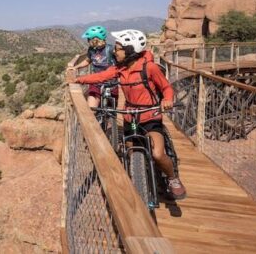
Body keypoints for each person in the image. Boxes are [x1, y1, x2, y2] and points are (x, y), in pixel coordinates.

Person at [68, 29, 186, 200]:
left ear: (129, 50)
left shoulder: (149, 68)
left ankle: (173, 178)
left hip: (150, 116)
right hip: (130, 117)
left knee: (158, 154)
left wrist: (167, 100)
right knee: (130, 149)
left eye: (118, 48)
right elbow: (102, 76)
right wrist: (78, 80)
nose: (115, 51)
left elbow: (166, 88)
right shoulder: (120, 69)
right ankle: (140, 178)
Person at [67, 25, 117, 108]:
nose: (87, 40)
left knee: (111, 112)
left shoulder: (111, 49)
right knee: (91, 108)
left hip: (111, 83)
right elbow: (88, 60)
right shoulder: (91, 49)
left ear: (95, 39)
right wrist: (76, 67)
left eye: (88, 39)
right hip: (95, 82)